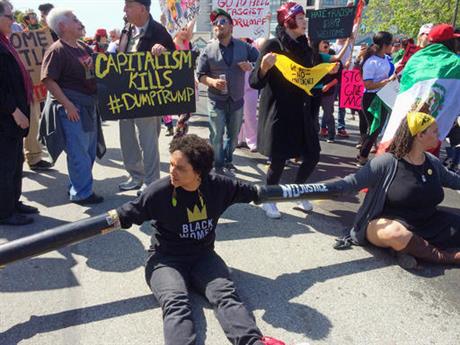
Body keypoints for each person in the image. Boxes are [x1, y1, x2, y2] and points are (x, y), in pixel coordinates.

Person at [116, 134, 293, 345]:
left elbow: (254, 192)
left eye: (180, 168)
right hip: (165, 260)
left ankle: (253, 342)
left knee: (226, 296)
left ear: (198, 172)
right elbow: (124, 215)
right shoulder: (159, 192)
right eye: (171, 164)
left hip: (203, 256)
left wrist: (295, 192)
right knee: (176, 302)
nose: (172, 171)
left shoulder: (219, 186)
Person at [331, 112, 460, 268]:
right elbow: (351, 183)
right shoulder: (386, 162)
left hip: (429, 222)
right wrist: (317, 189)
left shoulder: (432, 161)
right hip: (388, 224)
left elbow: (454, 180)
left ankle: (409, 249)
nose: (439, 136)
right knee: (396, 234)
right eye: (434, 132)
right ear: (419, 135)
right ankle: (445, 257)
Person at [250, 2, 333, 218]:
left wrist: (331, 69)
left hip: (302, 111)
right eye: (300, 18)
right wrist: (264, 67)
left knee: (313, 155)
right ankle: (269, 198)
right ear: (288, 20)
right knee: (279, 159)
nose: (304, 21)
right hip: (280, 112)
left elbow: (311, 75)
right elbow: (254, 82)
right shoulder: (273, 45)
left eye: (304, 18)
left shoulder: (306, 46)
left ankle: (297, 191)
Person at [40, 8, 105, 204]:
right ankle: (82, 193)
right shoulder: (57, 50)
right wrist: (67, 105)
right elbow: (48, 80)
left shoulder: (83, 47)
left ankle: (78, 186)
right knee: (78, 153)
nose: (80, 22)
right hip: (73, 108)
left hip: (89, 106)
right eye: (74, 20)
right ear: (62, 26)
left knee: (88, 151)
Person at [117, 0, 175, 194]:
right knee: (127, 138)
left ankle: (151, 181)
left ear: (142, 9)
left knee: (148, 141)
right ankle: (135, 176)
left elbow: (175, 61)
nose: (124, 9)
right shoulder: (126, 29)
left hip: (148, 98)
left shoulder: (159, 31)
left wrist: (164, 52)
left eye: (129, 6)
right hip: (126, 95)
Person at [196, 8, 259, 174]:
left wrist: (251, 66)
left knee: (233, 136)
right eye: (215, 23)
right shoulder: (208, 49)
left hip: (237, 100)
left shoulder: (244, 46)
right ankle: (217, 166)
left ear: (231, 26)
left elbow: (260, 59)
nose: (218, 25)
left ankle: (228, 160)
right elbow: (200, 75)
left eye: (222, 22)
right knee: (216, 136)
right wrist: (212, 81)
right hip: (216, 101)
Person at [0, 0, 39, 225]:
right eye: (8, 16)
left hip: (13, 116)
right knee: (5, 165)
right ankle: (5, 212)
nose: (13, 20)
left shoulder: (5, 42)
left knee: (15, 162)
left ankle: (13, 202)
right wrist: (14, 110)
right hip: (6, 116)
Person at [356, 31, 396, 166]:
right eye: (391, 43)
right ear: (385, 44)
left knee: (376, 128)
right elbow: (368, 84)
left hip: (384, 95)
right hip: (371, 98)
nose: (393, 46)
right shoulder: (371, 62)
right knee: (374, 128)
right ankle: (362, 156)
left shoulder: (387, 59)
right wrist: (387, 81)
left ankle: (363, 153)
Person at [331, 37, 353, 138]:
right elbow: (332, 62)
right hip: (334, 79)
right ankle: (326, 126)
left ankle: (341, 127)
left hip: (346, 79)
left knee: (342, 105)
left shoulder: (350, 46)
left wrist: (349, 65)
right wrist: (343, 67)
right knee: (329, 104)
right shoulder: (333, 47)